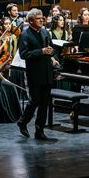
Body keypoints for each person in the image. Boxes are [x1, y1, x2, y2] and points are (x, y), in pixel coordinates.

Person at [17, 8, 55, 140]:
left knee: (44, 103)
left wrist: (51, 52)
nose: (41, 20)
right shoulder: (24, 35)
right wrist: (41, 51)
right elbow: (23, 54)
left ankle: (39, 131)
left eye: (42, 18)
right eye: (38, 18)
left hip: (47, 71)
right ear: (31, 21)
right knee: (34, 101)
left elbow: (51, 49)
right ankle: (22, 122)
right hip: (34, 72)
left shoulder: (45, 32)